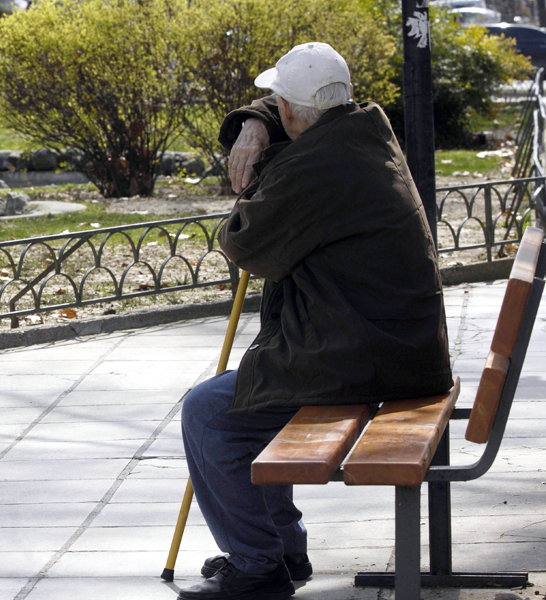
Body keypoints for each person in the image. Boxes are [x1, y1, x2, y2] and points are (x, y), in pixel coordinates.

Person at [177, 42, 453, 600]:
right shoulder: (361, 133)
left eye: (274, 104)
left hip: (363, 354)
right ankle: (281, 546)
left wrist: (255, 166)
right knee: (244, 399)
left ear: (291, 112)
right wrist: (256, 124)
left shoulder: (318, 167)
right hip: (392, 344)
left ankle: (259, 563)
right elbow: (296, 124)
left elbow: (246, 242)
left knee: (208, 413)